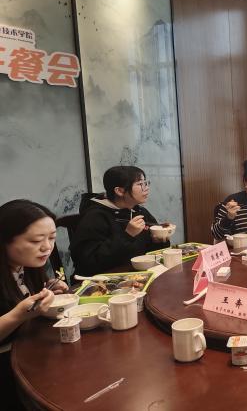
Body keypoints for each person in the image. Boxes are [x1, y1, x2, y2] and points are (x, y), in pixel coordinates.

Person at [0, 200, 69, 409]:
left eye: (52, 238)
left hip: (29, 348)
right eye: (36, 240)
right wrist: (18, 315)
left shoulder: (26, 265)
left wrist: (48, 288)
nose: (47, 247)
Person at [70, 166, 168, 276]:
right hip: (103, 279)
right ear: (120, 191)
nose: (146, 188)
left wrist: (159, 241)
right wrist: (127, 235)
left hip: (138, 274)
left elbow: (149, 254)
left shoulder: (139, 211)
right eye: (140, 184)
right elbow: (88, 262)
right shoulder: (95, 217)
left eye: (146, 183)